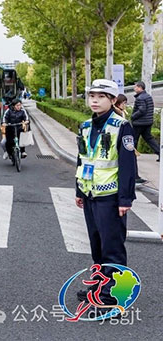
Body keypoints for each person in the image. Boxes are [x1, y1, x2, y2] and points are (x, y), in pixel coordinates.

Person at [74, 79, 136, 307]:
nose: (95, 101)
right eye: (92, 96)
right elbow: (82, 159)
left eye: (101, 97)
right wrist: (79, 190)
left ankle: (114, 297)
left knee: (112, 248)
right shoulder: (85, 126)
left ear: (112, 100)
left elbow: (128, 165)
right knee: (97, 245)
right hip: (90, 194)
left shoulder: (121, 126)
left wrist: (125, 199)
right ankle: (100, 287)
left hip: (110, 197)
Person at [131, 81, 159, 176]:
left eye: (135, 87)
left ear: (140, 87)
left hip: (139, 123)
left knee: (134, 139)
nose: (134, 88)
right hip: (148, 122)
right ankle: (160, 152)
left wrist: (133, 116)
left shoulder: (140, 98)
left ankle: (132, 155)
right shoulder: (148, 96)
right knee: (149, 138)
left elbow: (142, 110)